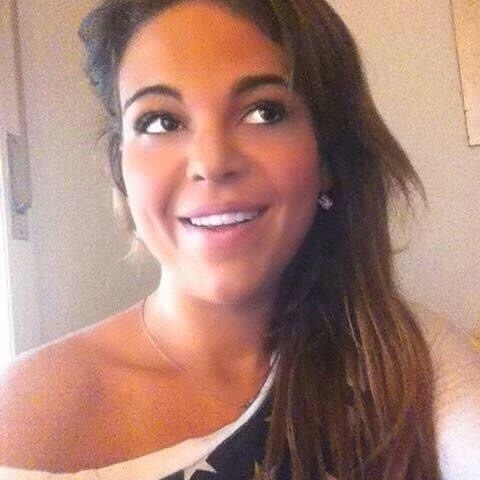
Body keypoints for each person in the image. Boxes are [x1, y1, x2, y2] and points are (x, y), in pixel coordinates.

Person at [0, 0, 479, 479]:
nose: (212, 162)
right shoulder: (23, 419)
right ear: (120, 166)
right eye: (161, 121)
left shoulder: (411, 361)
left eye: (264, 112)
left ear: (327, 157)